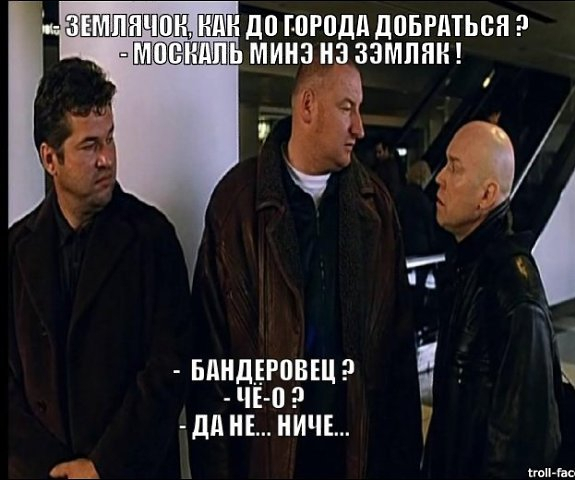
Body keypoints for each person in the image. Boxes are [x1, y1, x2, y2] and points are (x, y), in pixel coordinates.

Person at [187, 56, 422, 478]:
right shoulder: (236, 205)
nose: (360, 128)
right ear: (308, 106)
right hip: (267, 459)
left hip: (354, 458)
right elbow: (209, 363)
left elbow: (398, 352)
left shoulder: (376, 208)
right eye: (347, 108)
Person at [8, 57, 191, 479]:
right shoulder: (15, 252)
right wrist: (53, 470)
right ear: (50, 158)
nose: (107, 158)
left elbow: (170, 368)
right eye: (90, 146)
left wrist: (101, 466)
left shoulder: (152, 239)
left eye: (109, 139)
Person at [422, 120, 562, 478]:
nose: (440, 178)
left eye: (455, 168)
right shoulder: (466, 267)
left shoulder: (513, 291)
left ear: (486, 196)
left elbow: (522, 448)